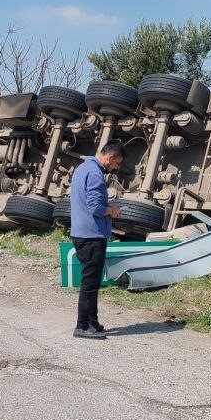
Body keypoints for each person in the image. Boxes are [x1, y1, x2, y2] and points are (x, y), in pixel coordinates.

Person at [69, 140, 125, 340]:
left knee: (92, 282)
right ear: (110, 158)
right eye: (116, 163)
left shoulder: (83, 168)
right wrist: (111, 210)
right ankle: (82, 326)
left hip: (82, 232)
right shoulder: (95, 173)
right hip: (91, 236)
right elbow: (94, 207)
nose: (115, 168)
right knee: (90, 284)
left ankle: (92, 322)